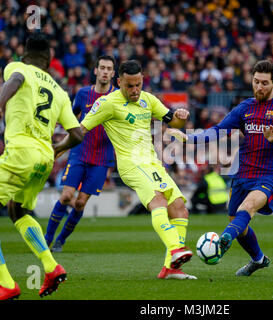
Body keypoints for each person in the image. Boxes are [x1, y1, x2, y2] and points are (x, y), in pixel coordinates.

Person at [0, 34, 83, 300]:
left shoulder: (17, 67)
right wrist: (55, 149)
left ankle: (5, 283)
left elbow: (15, 80)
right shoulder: (60, 91)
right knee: (18, 210)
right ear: (49, 60)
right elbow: (77, 134)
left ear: (24, 54)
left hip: (20, 151)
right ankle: (51, 267)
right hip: (44, 159)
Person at [168, 60, 273, 276]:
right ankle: (258, 259)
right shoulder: (245, 108)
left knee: (245, 210)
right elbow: (218, 130)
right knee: (238, 222)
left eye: (265, 83)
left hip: (269, 175)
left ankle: (222, 241)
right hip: (243, 174)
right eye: (256, 82)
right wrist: (189, 138)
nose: (259, 87)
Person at [80, 60, 196, 280]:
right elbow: (81, 129)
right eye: (129, 86)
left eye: (138, 85)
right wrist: (57, 147)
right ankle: (175, 249)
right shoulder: (107, 103)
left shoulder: (148, 100)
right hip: (131, 164)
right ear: (119, 82)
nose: (134, 90)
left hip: (152, 163)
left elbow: (173, 121)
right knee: (158, 200)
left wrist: (181, 117)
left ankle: (171, 269)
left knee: (180, 208)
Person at [44, 55, 117, 252]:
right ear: (95, 71)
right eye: (101, 67)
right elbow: (71, 115)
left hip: (102, 158)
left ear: (113, 73)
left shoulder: (118, 97)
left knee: (80, 202)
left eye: (108, 68)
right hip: (80, 152)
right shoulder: (83, 93)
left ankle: (61, 240)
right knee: (67, 195)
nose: (104, 71)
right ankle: (47, 239)